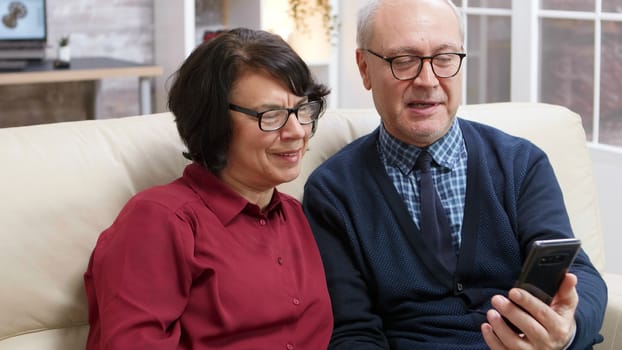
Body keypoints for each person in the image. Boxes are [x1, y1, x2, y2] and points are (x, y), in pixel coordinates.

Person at [302, 0, 607, 349]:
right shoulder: (332, 193)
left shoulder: (521, 163)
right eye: (403, 60)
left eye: (445, 58)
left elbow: (580, 276)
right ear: (364, 68)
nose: (428, 80)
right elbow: (352, 333)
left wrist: (565, 331)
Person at [84, 28, 333, 350]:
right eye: (271, 116)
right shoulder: (159, 221)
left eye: (303, 110)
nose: (297, 131)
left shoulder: (295, 214)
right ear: (213, 120)